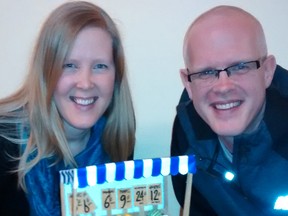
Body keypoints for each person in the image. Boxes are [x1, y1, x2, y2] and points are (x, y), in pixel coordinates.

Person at [0, 1, 136, 215]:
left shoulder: (118, 143)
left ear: (116, 76)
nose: (85, 82)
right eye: (69, 65)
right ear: (45, 72)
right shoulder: (4, 143)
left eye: (100, 66)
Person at [171, 5, 288, 216]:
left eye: (240, 67)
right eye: (206, 72)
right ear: (188, 83)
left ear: (268, 71)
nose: (223, 87)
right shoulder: (186, 130)